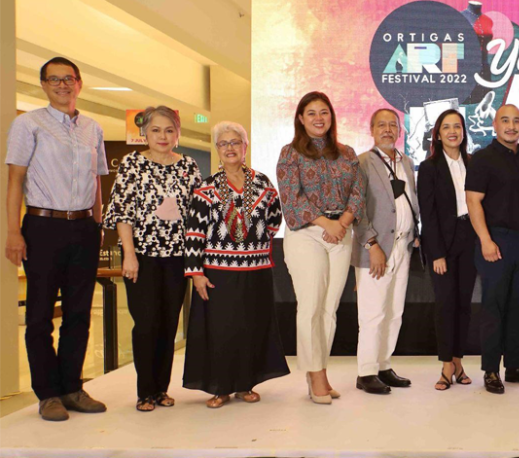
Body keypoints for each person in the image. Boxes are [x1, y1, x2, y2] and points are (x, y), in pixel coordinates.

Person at [5, 57, 109, 421]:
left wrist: (98, 226)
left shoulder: (93, 128)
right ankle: (47, 394)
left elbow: (96, 182)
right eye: (54, 79)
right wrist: (13, 231)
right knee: (39, 316)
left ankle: (72, 388)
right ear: (44, 85)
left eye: (68, 78)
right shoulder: (28, 124)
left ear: (79, 83)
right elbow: (15, 180)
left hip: (83, 227)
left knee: (79, 314)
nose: (62, 84)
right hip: (43, 226)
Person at [183, 121, 290, 408]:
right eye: (224, 143)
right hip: (218, 273)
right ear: (217, 149)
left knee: (250, 328)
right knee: (222, 330)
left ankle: (245, 385)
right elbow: (194, 232)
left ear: (245, 147)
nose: (230, 148)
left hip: (256, 271)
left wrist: (253, 244)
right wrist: (196, 273)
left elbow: (275, 220)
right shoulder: (206, 187)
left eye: (235, 142)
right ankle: (220, 387)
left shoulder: (263, 183)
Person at [103, 106, 202, 411]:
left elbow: (198, 215)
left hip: (177, 258)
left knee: (169, 325)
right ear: (144, 133)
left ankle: (161, 389)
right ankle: (145, 391)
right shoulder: (132, 163)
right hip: (142, 257)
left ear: (178, 134)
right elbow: (122, 212)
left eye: (169, 130)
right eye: (156, 130)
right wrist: (129, 255)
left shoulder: (188, 166)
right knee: (146, 324)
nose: (162, 136)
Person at [276, 91, 363, 404]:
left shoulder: (347, 153)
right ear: (301, 118)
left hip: (341, 233)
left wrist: (343, 223)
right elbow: (291, 198)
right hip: (307, 234)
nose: (318, 118)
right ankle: (316, 376)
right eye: (311, 113)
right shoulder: (290, 153)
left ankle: (319, 371)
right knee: (311, 306)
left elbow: (358, 193)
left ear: (331, 116)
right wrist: (328, 223)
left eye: (323, 112)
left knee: (329, 309)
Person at [464, 104, 519, 394]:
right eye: (505, 120)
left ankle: (514, 366)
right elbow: (473, 201)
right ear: (495, 125)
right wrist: (485, 240)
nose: (511, 126)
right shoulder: (482, 158)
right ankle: (490, 369)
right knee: (493, 307)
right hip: (494, 240)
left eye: (516, 121)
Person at [351, 108, 419, 395]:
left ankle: (383, 365)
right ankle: (366, 372)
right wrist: (372, 245)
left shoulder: (407, 162)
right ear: (372, 130)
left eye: (393, 125)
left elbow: (410, 200)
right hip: (376, 249)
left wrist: (415, 232)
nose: (388, 129)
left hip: (403, 246)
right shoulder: (362, 162)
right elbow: (356, 210)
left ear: (400, 131)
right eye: (382, 125)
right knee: (373, 313)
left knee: (394, 312)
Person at [418, 110, 478, 391]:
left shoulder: (473, 163)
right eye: (446, 127)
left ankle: (458, 361)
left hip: (470, 240)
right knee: (445, 305)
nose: (453, 131)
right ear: (438, 134)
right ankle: (445, 366)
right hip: (443, 244)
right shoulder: (429, 167)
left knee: (463, 305)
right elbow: (427, 214)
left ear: (464, 132)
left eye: (457, 126)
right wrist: (437, 253)